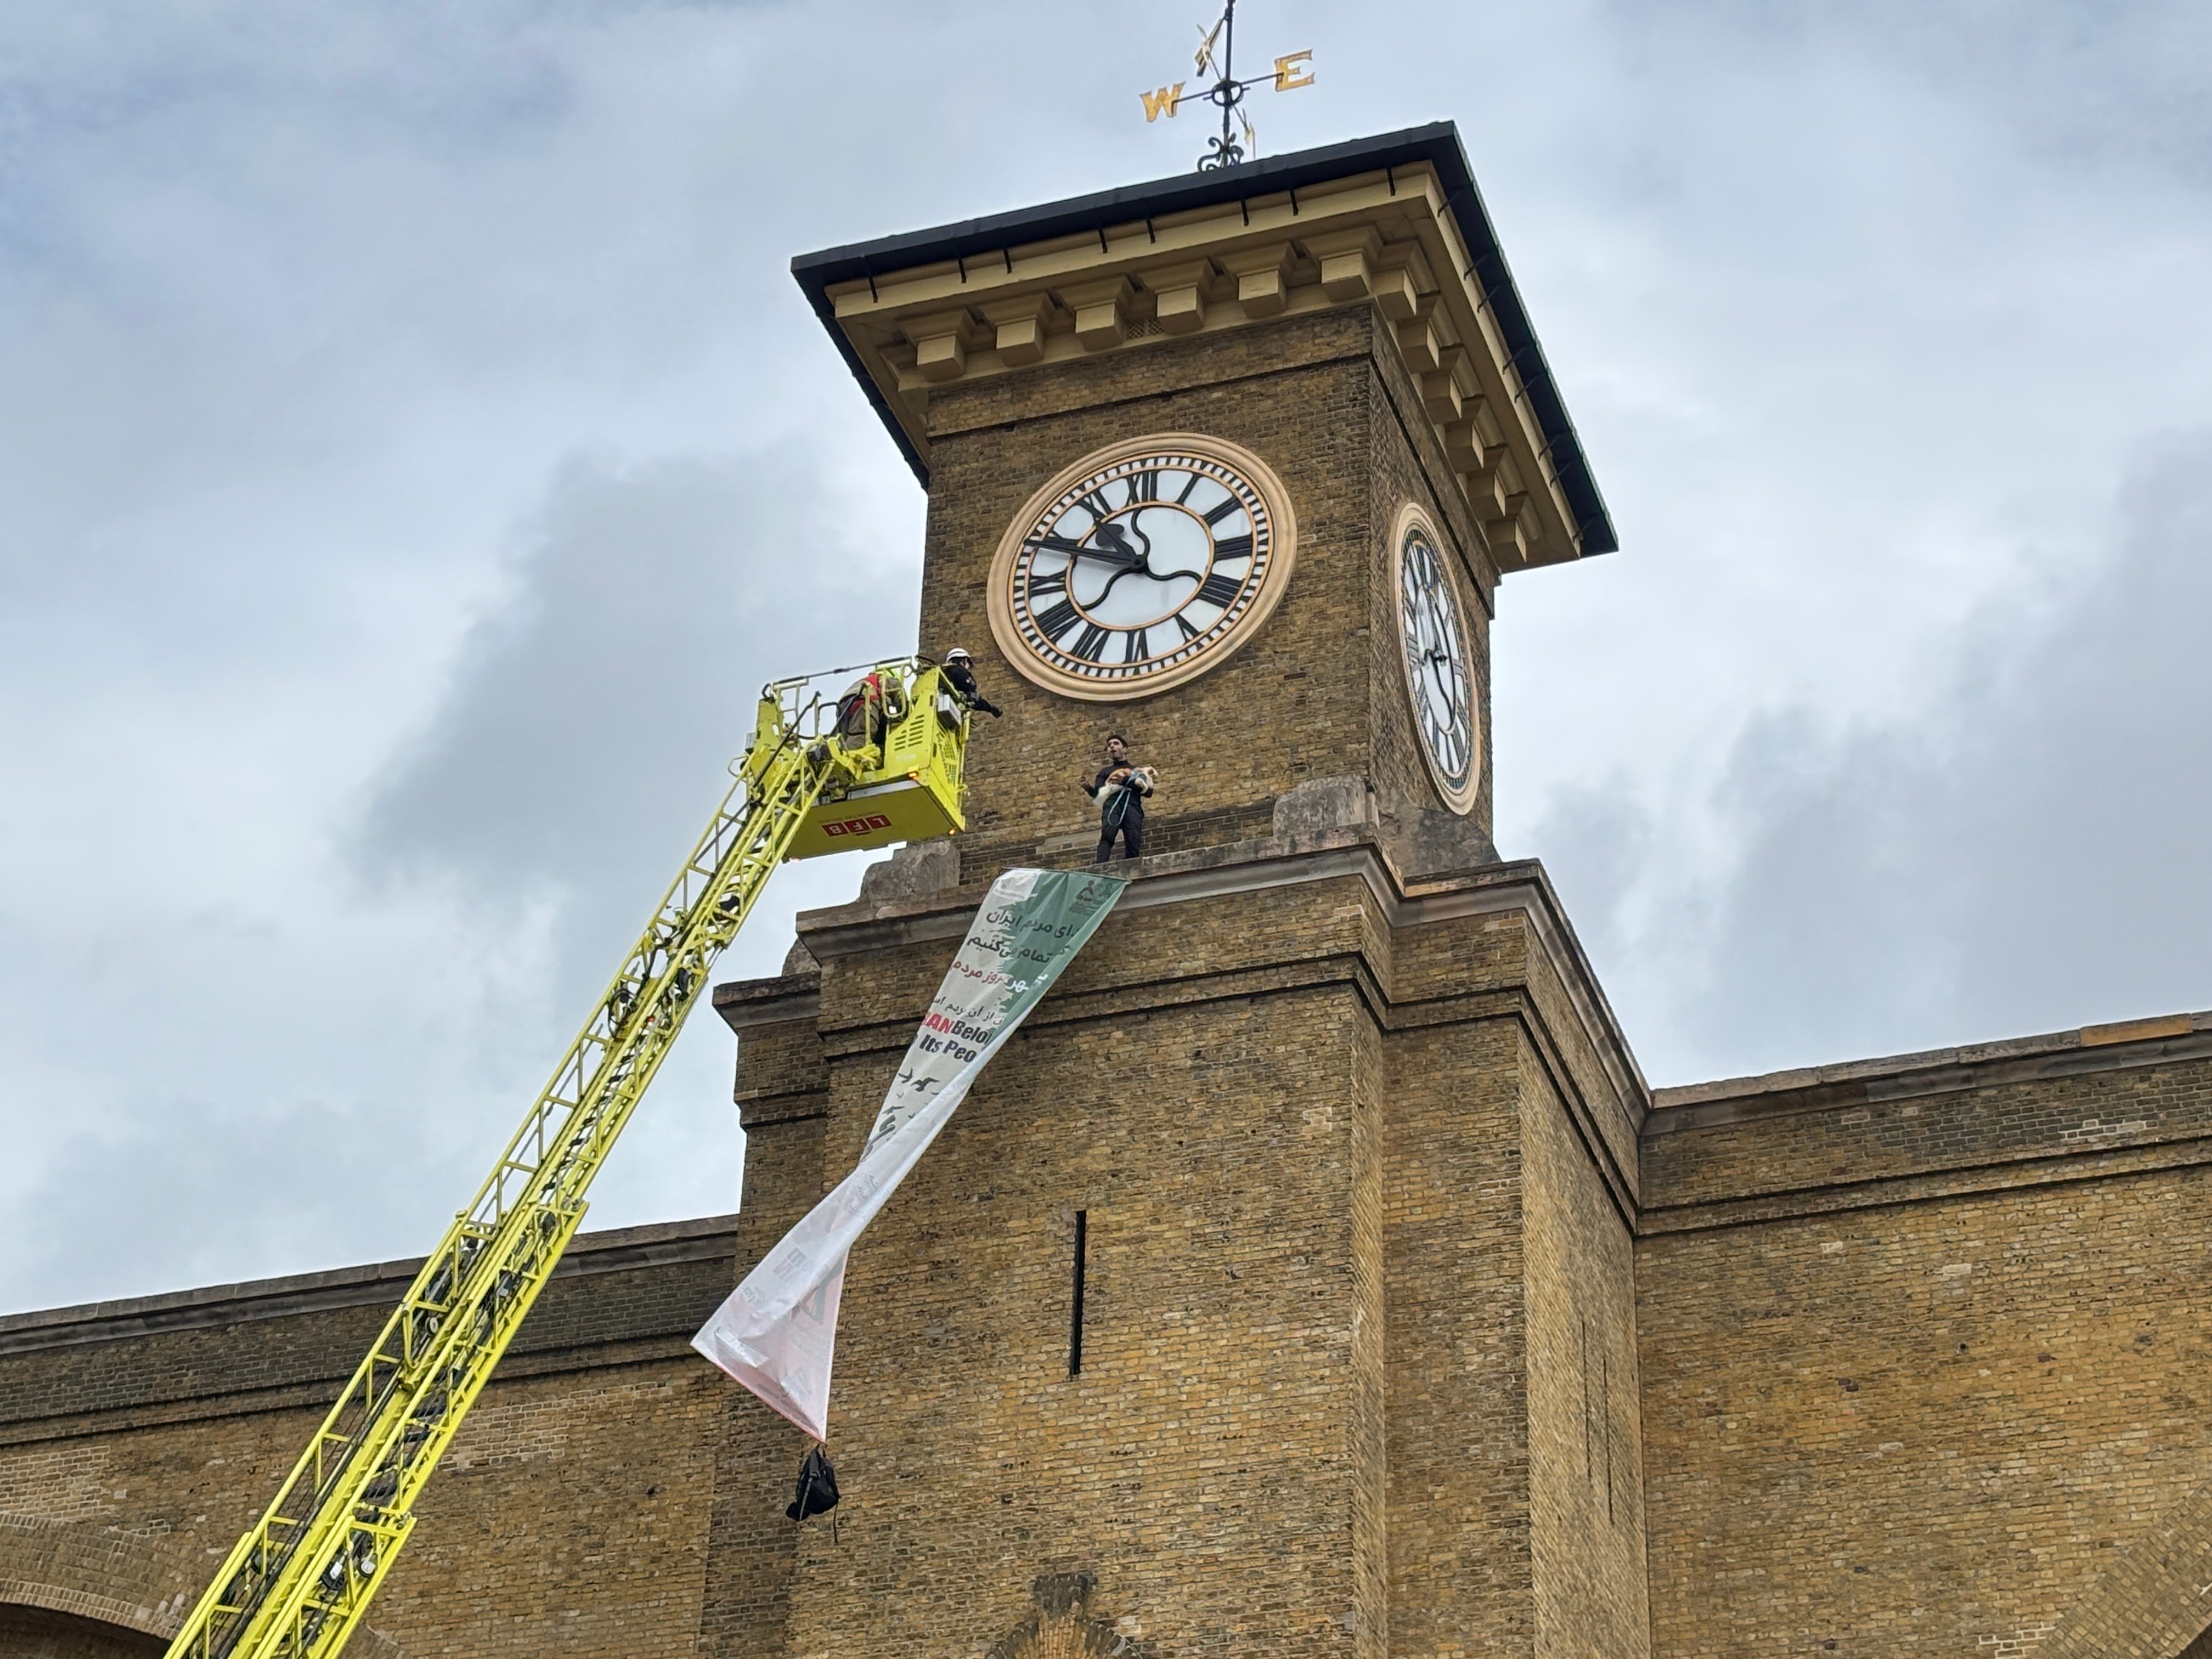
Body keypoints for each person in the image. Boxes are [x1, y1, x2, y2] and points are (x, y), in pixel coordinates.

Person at [1084, 733, 1155, 863]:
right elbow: (1098, 793)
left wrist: (1125, 781)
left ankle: (1132, 864)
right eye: (1110, 745)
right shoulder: (1105, 772)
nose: (1112, 747)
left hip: (1132, 805)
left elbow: (1148, 792)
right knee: (1108, 834)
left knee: (1133, 837)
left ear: (1125, 749)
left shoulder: (1136, 770)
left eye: (1116, 744)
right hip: (1112, 805)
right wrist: (1088, 787)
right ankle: (1101, 865)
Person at [940, 647, 1002, 718]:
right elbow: (972, 696)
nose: (968, 668)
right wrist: (990, 708)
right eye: (968, 663)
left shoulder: (943, 673)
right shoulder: (960, 671)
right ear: (964, 661)